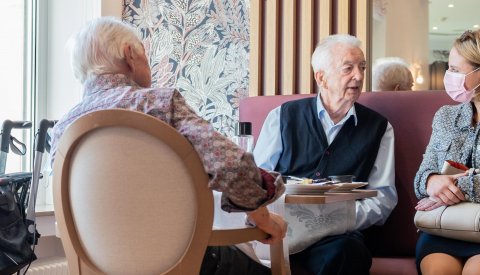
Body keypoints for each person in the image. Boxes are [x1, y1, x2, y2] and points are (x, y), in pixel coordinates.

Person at [50, 17, 287, 275]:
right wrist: (262, 218)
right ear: (130, 54)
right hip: (183, 265)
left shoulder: (63, 129)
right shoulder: (161, 104)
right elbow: (232, 165)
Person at [253, 34, 397, 275]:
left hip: (336, 237)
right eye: (348, 68)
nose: (359, 76)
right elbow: (257, 183)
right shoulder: (282, 116)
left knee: (349, 251)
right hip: (281, 228)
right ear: (322, 78)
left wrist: (333, 221)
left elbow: (383, 198)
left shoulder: (379, 128)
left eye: (362, 67)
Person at [414, 29, 480, 275]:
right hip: (444, 228)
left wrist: (451, 188)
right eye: (448, 68)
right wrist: (431, 182)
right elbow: (422, 176)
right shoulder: (445, 116)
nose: (448, 76)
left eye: (455, 70)